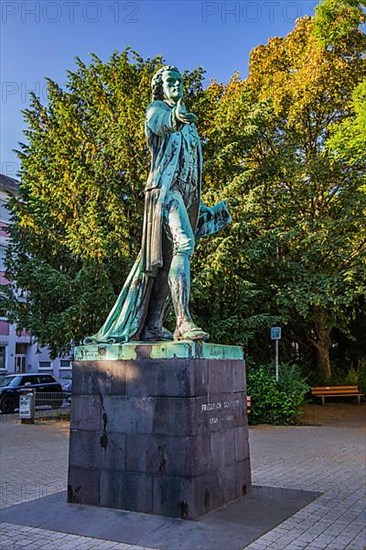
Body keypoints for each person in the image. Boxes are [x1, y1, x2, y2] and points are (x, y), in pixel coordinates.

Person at [85, 65, 230, 345]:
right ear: (160, 88)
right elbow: (160, 124)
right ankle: (183, 322)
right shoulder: (157, 110)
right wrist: (175, 116)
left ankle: (152, 325)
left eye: (179, 81)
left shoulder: (191, 128)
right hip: (163, 193)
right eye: (170, 82)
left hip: (185, 197)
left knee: (165, 264)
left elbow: (189, 169)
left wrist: (203, 209)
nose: (176, 85)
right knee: (184, 245)